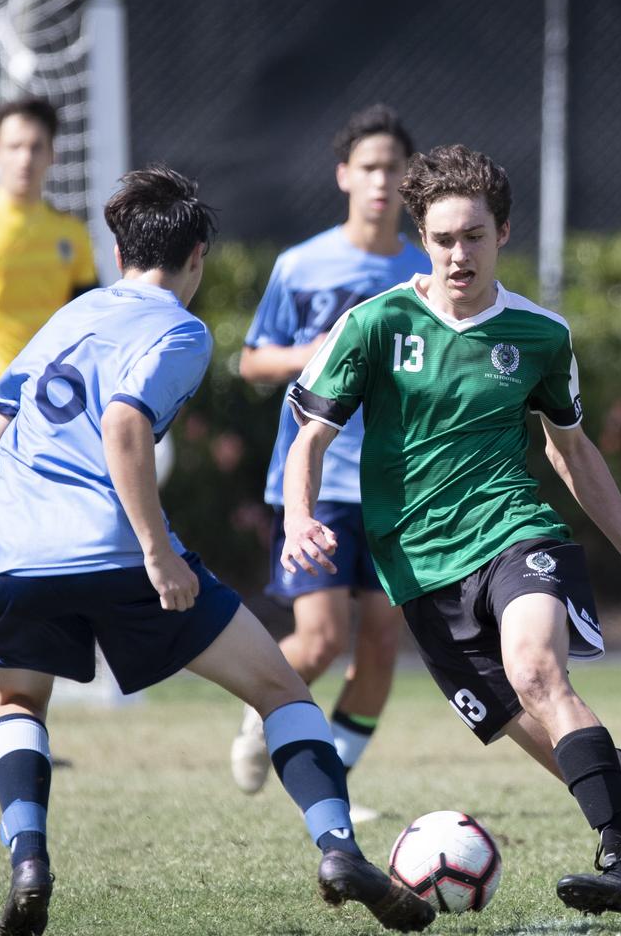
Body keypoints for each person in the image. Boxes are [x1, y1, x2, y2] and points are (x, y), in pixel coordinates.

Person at [279, 144, 621, 917]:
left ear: (504, 234)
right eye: (445, 238)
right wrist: (298, 516)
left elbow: (572, 452)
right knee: (565, 753)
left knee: (537, 672)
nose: (460, 255)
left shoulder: (539, 334)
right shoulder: (375, 324)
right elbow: (311, 439)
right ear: (422, 238)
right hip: (421, 575)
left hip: (515, 534)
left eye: (475, 237)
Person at [0, 165, 434, 936]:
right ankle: (335, 847)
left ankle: (28, 858)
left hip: (15, 555)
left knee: (18, 703)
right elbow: (126, 425)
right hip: (118, 552)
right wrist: (159, 555)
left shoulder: (71, 316)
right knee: (284, 693)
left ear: (120, 251)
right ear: (197, 257)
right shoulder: (181, 329)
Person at [231, 105, 428, 816]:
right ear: (345, 175)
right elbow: (252, 360)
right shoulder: (301, 264)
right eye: (370, 166)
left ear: (411, 181)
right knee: (318, 638)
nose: (382, 180)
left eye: (395, 168)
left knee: (379, 645)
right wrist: (320, 355)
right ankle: (264, 714)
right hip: (315, 480)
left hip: (395, 488)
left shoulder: (424, 271)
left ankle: (334, 779)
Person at [0, 97, 97, 734]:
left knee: (17, 565)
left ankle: (15, 711)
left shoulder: (71, 236)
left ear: (53, 155)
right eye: (14, 145)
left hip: (44, 430)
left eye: (37, 146)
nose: (26, 157)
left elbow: (83, 331)